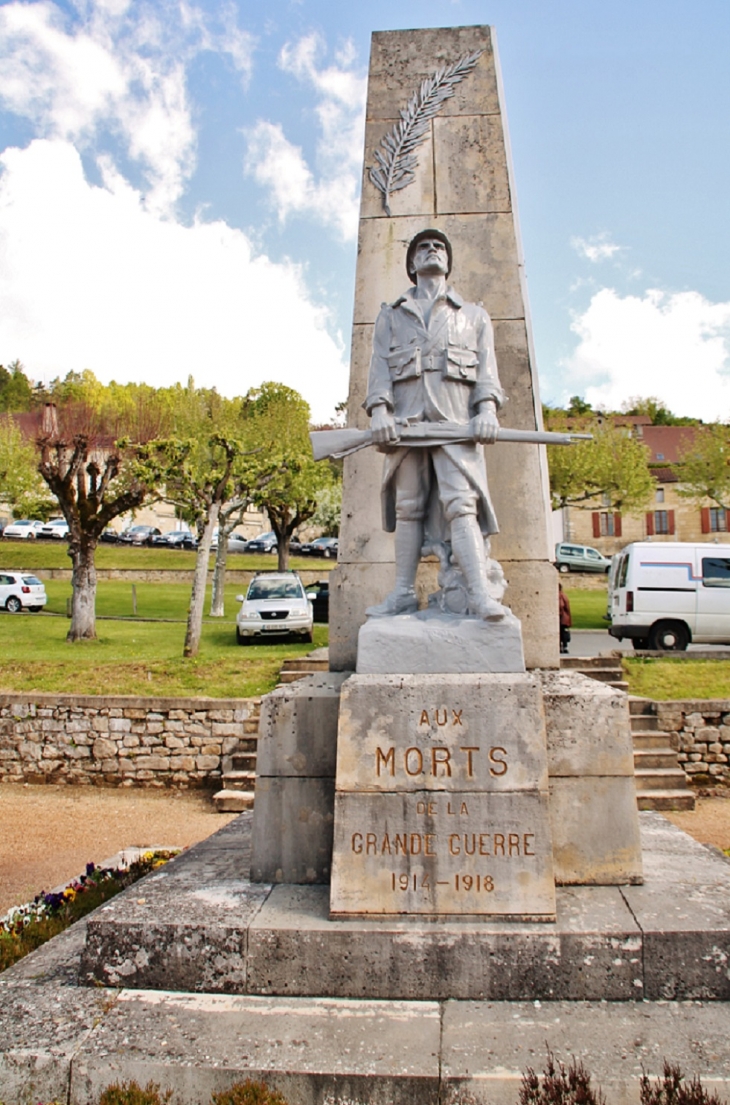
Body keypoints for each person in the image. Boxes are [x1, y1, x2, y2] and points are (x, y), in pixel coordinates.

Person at [364, 228, 506, 620]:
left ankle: (479, 596)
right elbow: (379, 370)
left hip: (456, 425)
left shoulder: (473, 316)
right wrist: (379, 411)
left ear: (448, 261)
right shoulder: (391, 315)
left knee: (463, 507)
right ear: (412, 264)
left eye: (440, 246)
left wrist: (488, 411)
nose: (432, 251)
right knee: (408, 508)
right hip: (406, 425)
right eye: (423, 247)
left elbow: (487, 374)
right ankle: (404, 594)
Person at [558, 583, 572, 654]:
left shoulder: (558, 596)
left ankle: (561, 646)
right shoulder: (564, 595)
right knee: (563, 632)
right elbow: (567, 608)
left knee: (560, 632)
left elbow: (562, 606)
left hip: (560, 617)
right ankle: (564, 646)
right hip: (564, 617)